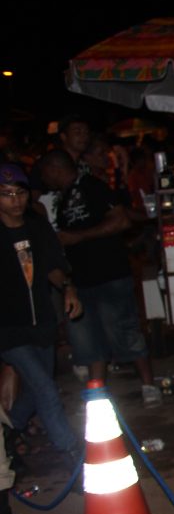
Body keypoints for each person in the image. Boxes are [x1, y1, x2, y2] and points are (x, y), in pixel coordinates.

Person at [37, 149, 162, 406]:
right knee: (88, 340)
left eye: (44, 174)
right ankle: (98, 395)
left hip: (109, 273)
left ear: (53, 169)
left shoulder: (93, 186)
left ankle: (149, 385)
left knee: (125, 332)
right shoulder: (64, 197)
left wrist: (78, 237)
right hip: (79, 280)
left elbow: (121, 222)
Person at [0, 163, 83, 462]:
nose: (15, 200)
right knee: (46, 389)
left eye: (19, 192)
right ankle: (71, 452)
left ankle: (10, 428)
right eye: (6, 194)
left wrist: (69, 289)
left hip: (42, 324)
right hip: (9, 328)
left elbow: (53, 267)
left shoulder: (37, 227)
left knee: (37, 389)